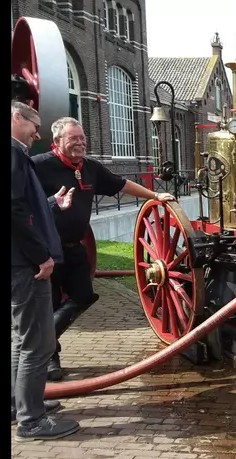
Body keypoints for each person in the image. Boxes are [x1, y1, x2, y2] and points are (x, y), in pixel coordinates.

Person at [32, 117, 175, 380]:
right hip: (46, 250)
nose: (80, 143)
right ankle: (50, 358)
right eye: (73, 138)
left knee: (85, 295)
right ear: (57, 142)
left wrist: (155, 196)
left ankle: (44, 341)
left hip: (75, 248)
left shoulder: (90, 168)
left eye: (82, 138)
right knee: (49, 305)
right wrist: (52, 202)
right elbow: (24, 204)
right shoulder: (39, 165)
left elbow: (121, 185)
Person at [11, 101, 81, 441]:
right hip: (26, 266)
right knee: (38, 344)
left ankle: (18, 404)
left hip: (20, 263)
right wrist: (41, 257)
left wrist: (53, 203)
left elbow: (26, 208)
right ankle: (32, 420)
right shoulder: (13, 155)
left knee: (21, 340)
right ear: (16, 117)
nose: (38, 133)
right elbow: (13, 212)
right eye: (33, 125)